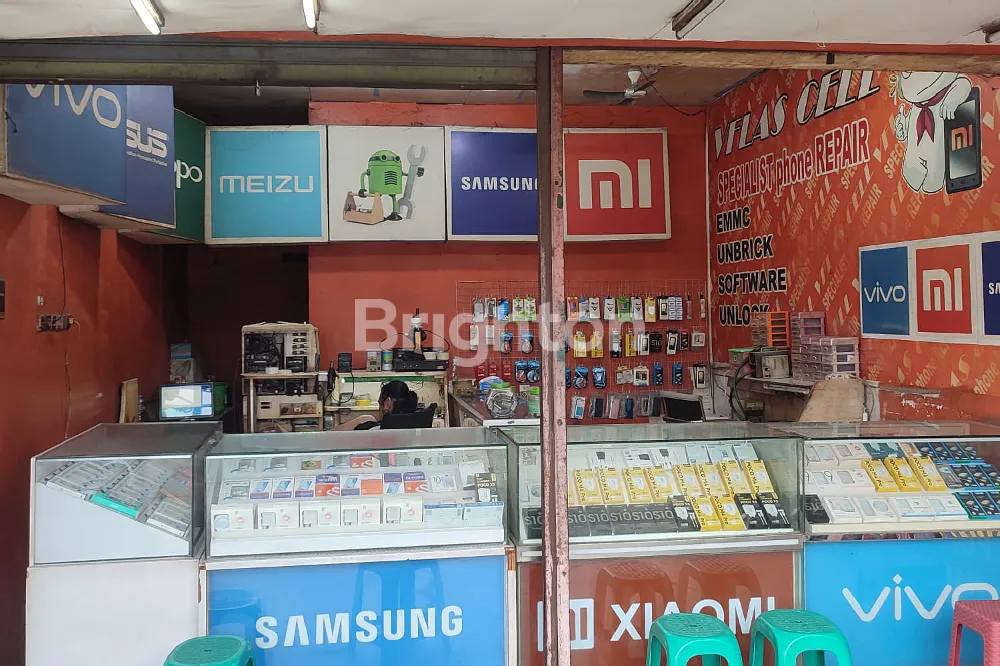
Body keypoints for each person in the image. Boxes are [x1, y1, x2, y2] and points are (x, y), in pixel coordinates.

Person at [340, 380, 418, 431]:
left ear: (387, 403)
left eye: (380, 404)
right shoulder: (417, 434)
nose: (379, 409)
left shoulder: (369, 430)